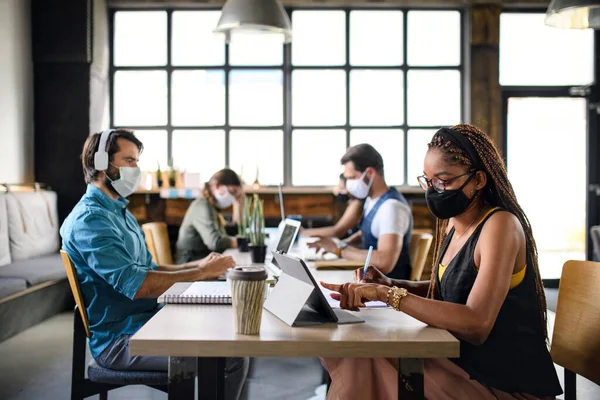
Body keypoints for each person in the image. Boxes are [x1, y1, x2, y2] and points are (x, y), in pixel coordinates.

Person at [320, 124, 562, 399]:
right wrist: (391, 283)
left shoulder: (500, 225)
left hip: (503, 382)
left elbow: (476, 324)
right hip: (462, 362)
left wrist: (388, 295)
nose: (434, 190)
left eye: (443, 181)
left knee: (367, 361)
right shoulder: (453, 224)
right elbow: (451, 286)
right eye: (429, 180)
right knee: (359, 352)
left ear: (479, 180)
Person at [60, 129, 248, 400]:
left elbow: (150, 269)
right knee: (230, 356)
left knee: (226, 332)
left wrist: (199, 266)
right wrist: (200, 272)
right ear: (101, 164)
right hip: (120, 340)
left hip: (147, 321)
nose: (136, 169)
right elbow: (139, 286)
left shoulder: (117, 211)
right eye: (129, 161)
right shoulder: (91, 220)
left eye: (136, 161)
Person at [309, 144, 413, 279]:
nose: (349, 184)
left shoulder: (391, 207)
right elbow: (366, 235)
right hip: (368, 282)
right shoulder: (371, 200)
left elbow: (385, 261)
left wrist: (339, 250)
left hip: (385, 292)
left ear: (370, 173)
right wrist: (339, 244)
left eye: (352, 178)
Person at [176, 168, 244, 263]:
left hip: (204, 261)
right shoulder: (202, 206)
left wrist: (237, 203)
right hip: (191, 264)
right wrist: (241, 242)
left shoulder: (212, 207)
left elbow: (234, 230)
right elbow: (215, 242)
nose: (235, 197)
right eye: (233, 192)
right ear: (217, 186)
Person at [301, 173, 363, 239]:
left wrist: (303, 232)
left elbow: (337, 231)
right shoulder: (349, 204)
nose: (337, 191)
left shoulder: (356, 203)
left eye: (341, 188)